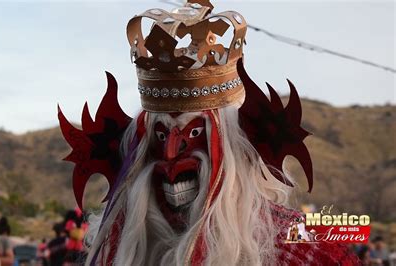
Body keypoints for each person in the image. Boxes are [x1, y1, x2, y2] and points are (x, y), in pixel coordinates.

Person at [58, 0, 359, 264]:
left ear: (237, 148)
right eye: (160, 137)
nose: (171, 157)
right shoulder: (115, 248)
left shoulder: (310, 251)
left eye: (193, 135)